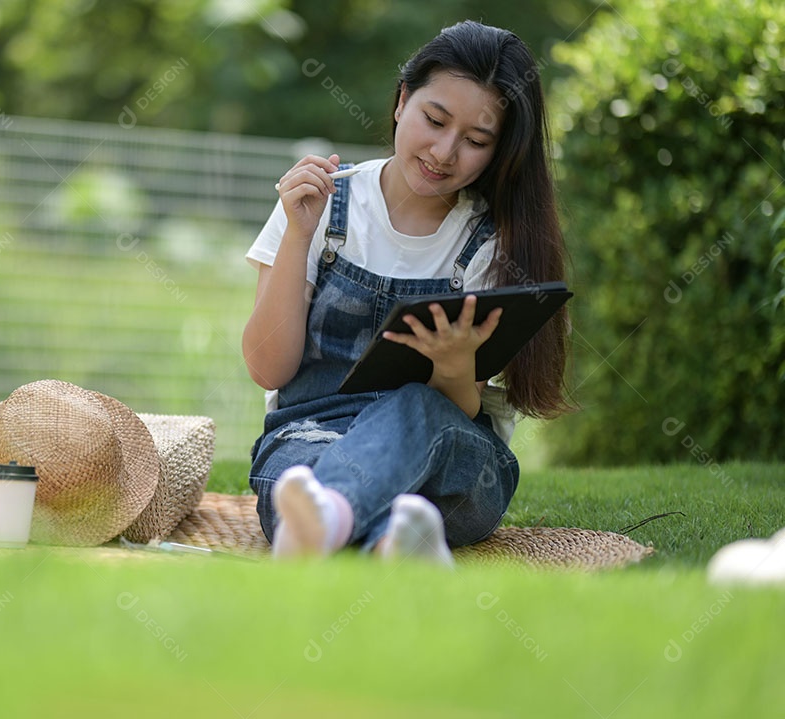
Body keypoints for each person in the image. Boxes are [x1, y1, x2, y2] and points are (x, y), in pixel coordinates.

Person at [242, 20, 572, 561]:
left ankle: (331, 517)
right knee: (291, 487)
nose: (444, 152)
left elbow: (456, 413)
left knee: (416, 407)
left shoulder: (493, 243)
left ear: (499, 150)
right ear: (401, 101)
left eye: (475, 141)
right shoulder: (317, 207)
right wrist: (299, 235)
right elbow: (267, 369)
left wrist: (454, 366)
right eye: (434, 120)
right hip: (312, 441)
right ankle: (396, 541)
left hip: (453, 464)